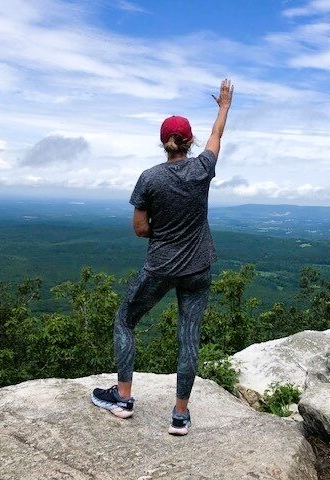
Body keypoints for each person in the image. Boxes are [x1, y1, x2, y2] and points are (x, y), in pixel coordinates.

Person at [91, 79, 234, 436]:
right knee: (189, 337)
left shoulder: (149, 178)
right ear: (190, 142)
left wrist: (164, 229)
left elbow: (140, 228)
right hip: (198, 267)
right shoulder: (203, 169)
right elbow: (217, 138)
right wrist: (224, 107)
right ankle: (180, 415)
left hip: (160, 267)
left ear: (163, 142)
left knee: (125, 320)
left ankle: (122, 399)